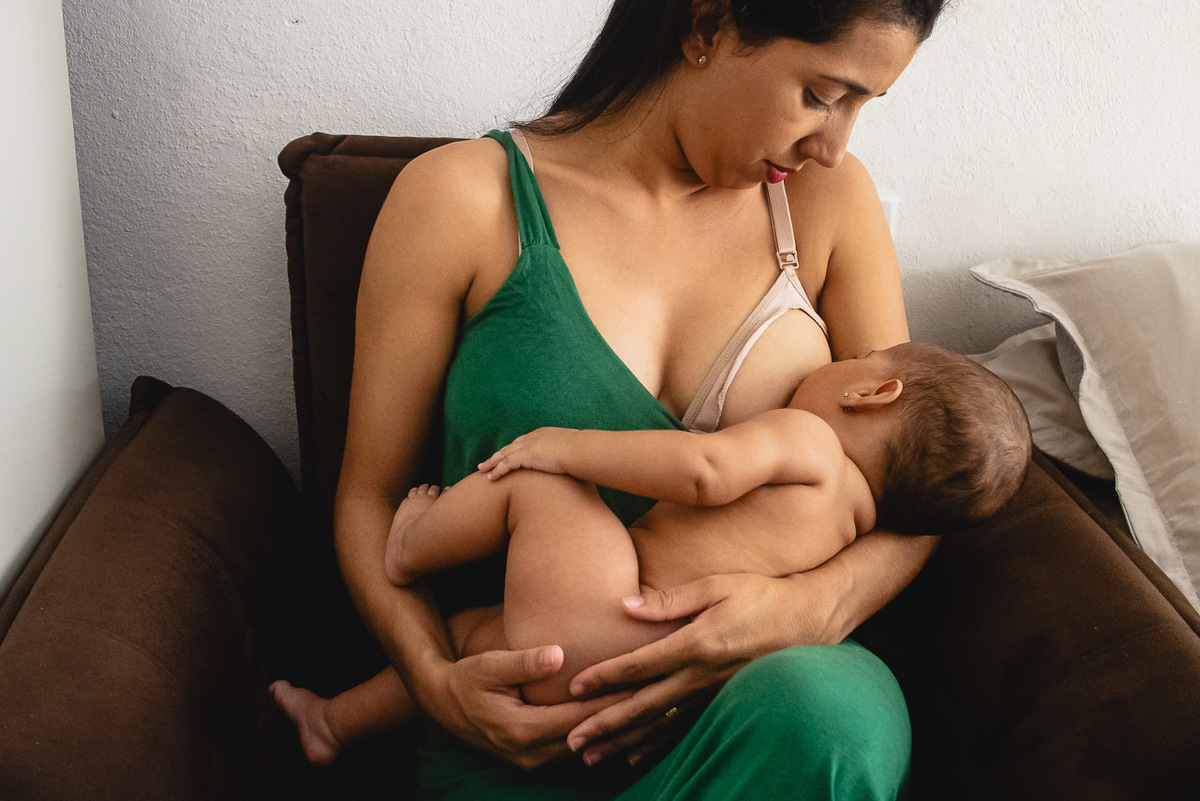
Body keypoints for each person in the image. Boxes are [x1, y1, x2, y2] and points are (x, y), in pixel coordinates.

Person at [295, 0, 954, 796]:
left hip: (754, 716)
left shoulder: (827, 204)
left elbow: (922, 486)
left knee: (826, 717)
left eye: (862, 106)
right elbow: (368, 500)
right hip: (529, 718)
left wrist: (813, 607)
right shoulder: (462, 200)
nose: (833, 144)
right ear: (708, 26)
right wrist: (437, 682)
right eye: (821, 94)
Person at [273, 342, 1030, 751]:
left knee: (544, 487)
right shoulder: (847, 531)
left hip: (612, 612)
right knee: (471, 644)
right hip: (659, 686)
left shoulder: (811, 441)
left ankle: (411, 544)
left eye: (861, 358)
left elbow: (704, 471)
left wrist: (566, 447)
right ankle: (333, 722)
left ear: (872, 391)